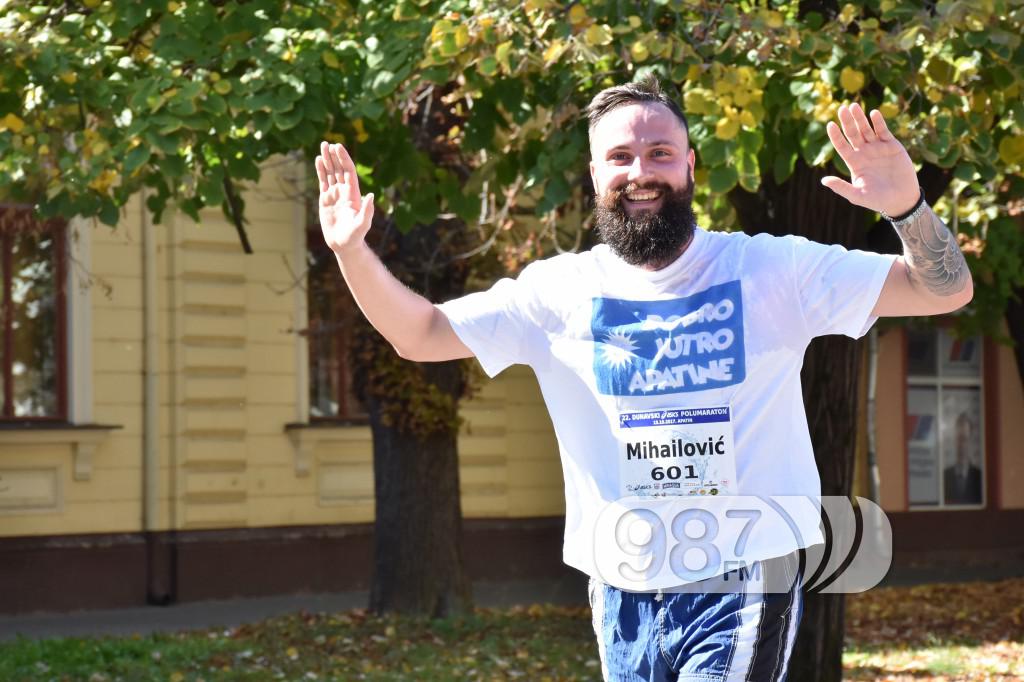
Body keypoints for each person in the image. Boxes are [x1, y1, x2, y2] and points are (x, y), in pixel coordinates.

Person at [314, 77, 972, 681]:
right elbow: (419, 334)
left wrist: (908, 209)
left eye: (660, 153)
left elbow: (940, 290)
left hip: (745, 576)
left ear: (690, 166)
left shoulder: (772, 271)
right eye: (621, 157)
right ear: (595, 173)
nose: (641, 172)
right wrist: (350, 251)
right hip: (620, 588)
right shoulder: (558, 293)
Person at [943, 412, 982, 505]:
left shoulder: (980, 477)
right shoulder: (944, 476)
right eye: (959, 438)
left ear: (970, 441)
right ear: (954, 440)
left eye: (965, 439)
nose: (961, 445)